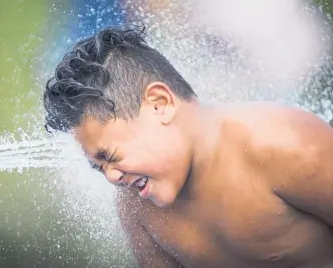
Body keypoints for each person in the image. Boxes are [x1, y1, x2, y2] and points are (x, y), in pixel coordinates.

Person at [43, 25, 333, 268]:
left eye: (110, 156)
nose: (112, 177)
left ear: (160, 104)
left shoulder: (283, 144)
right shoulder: (138, 212)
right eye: (98, 168)